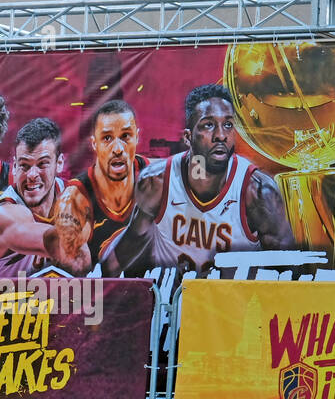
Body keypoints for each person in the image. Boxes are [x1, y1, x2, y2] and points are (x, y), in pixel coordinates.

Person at [110, 84, 294, 277]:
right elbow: (127, 249)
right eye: (208, 125)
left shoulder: (257, 191)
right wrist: (95, 294)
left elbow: (288, 272)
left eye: (228, 125)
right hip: (179, 304)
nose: (221, 135)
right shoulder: (157, 182)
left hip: (237, 305)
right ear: (188, 137)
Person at [47, 99, 148, 276]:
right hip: (103, 297)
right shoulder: (75, 199)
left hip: (159, 294)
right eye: (107, 138)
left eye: (125, 136)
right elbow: (77, 272)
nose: (117, 149)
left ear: (137, 137)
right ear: (94, 143)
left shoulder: (159, 178)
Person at [0, 118, 66, 274]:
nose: (32, 174)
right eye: (25, 165)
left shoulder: (75, 194)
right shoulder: (8, 211)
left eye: (42, 164)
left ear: (59, 163)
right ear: (16, 166)